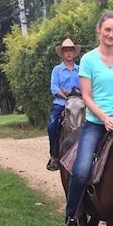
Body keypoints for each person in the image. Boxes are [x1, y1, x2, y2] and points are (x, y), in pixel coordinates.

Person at [61, 12, 113, 226]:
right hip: (97, 124)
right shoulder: (88, 60)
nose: (111, 34)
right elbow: (86, 97)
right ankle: (73, 219)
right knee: (83, 167)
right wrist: (104, 118)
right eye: (107, 30)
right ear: (99, 30)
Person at [46, 38, 82, 171]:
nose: (68, 53)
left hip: (79, 102)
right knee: (52, 126)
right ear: (63, 53)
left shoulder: (80, 69)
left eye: (70, 51)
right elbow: (54, 88)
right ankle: (54, 156)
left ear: (74, 53)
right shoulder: (57, 70)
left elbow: (85, 85)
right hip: (61, 103)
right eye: (66, 51)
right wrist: (66, 96)